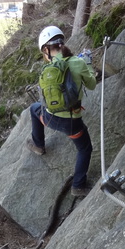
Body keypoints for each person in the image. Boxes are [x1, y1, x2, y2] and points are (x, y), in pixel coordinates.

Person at [27, 25, 97, 197]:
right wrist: (87, 63)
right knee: (85, 149)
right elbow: (92, 85)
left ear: (46, 50)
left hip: (48, 117)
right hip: (72, 124)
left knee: (33, 108)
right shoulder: (78, 63)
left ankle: (38, 145)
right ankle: (78, 186)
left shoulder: (49, 68)